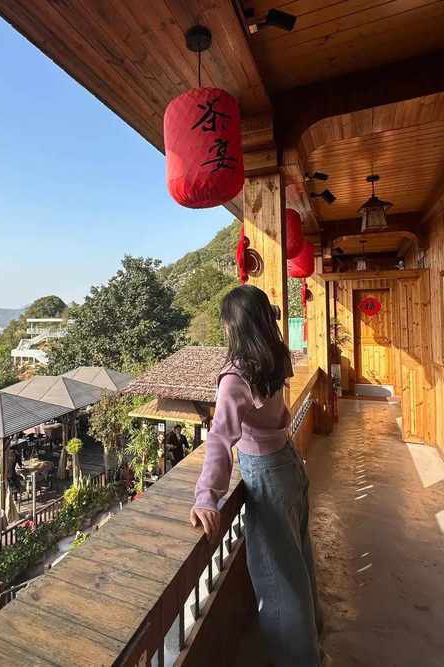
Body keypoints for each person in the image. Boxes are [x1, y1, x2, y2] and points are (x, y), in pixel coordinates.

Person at [190, 285, 325, 667]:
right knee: (298, 561)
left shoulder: (235, 378)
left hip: (267, 477)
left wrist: (206, 496)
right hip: (289, 465)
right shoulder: (274, 359)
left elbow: (220, 438)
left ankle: (301, 660)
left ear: (234, 326)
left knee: (279, 582)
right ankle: (314, 638)